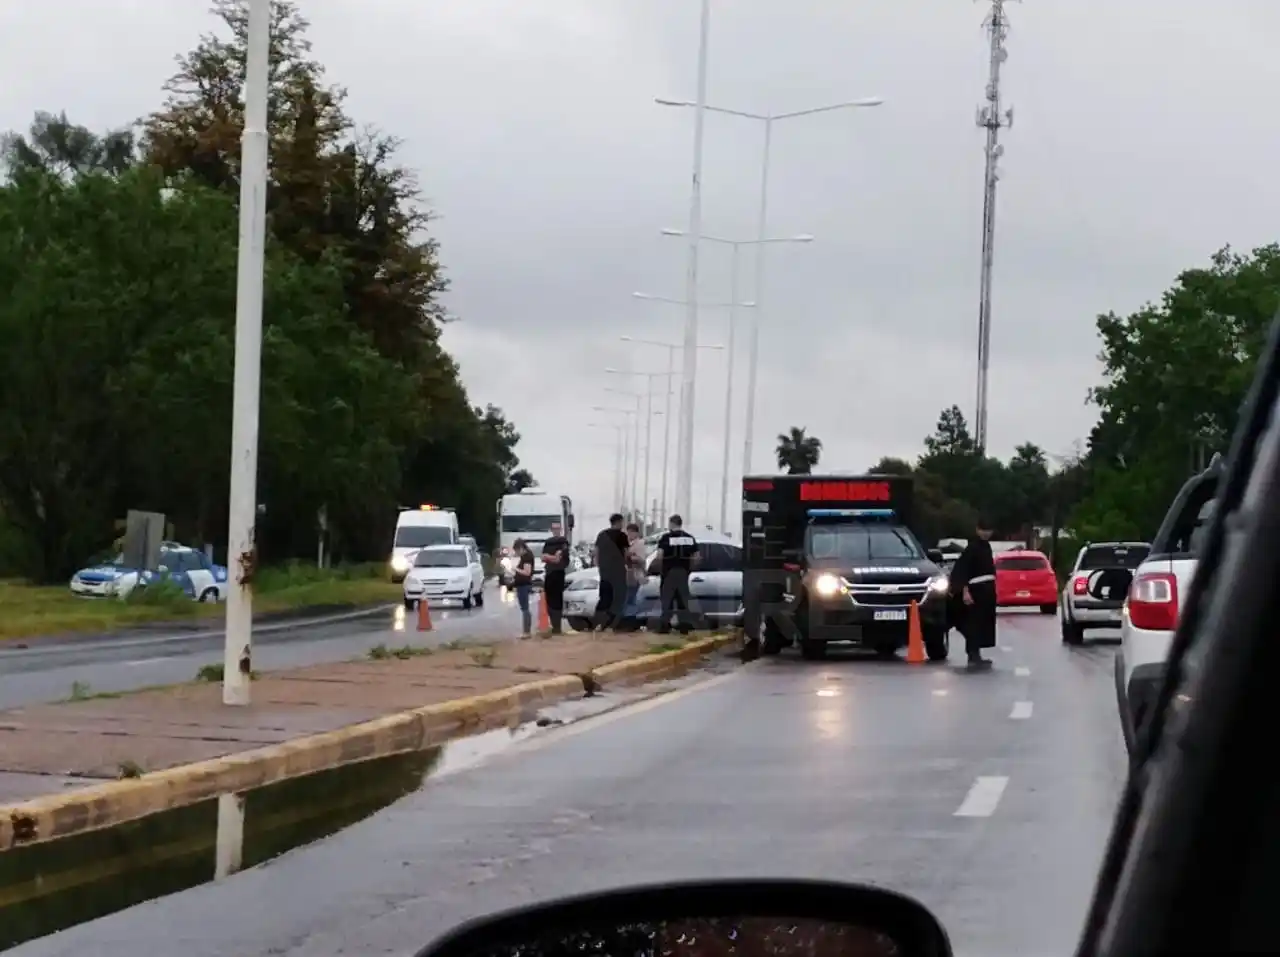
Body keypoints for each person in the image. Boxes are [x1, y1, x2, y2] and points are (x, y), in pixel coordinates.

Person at [948, 516, 997, 669]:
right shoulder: (972, 548)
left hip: (987, 590)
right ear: (977, 530)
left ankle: (977, 654)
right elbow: (962, 570)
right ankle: (972, 655)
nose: (986, 533)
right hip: (975, 591)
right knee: (973, 624)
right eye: (983, 530)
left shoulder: (987, 547)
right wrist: (964, 591)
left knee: (983, 623)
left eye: (988, 530)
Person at [654, 514, 699, 636]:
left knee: (667, 599)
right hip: (683, 572)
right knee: (683, 599)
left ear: (671, 524)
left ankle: (664, 626)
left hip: (669, 572)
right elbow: (696, 557)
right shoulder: (689, 538)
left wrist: (660, 570)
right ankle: (684, 626)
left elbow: (659, 556)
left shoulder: (666, 538)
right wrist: (689, 569)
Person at [593, 513, 629, 630]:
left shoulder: (602, 535)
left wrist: (599, 565)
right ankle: (610, 623)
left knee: (604, 597)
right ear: (619, 522)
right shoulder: (622, 536)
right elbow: (626, 553)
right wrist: (627, 563)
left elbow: (596, 552)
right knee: (619, 597)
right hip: (618, 571)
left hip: (605, 571)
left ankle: (597, 622)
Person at [540, 521, 571, 635]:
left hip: (558, 573)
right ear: (551, 530)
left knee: (557, 600)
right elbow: (543, 557)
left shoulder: (563, 542)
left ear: (560, 529)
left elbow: (560, 559)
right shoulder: (548, 542)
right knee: (549, 600)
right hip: (549, 573)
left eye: (558, 528)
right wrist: (553, 557)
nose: (556, 530)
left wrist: (550, 557)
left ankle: (557, 627)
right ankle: (553, 625)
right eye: (554, 528)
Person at [623, 522, 648, 624]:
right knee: (628, 598)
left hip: (636, 575)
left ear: (636, 533)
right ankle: (627, 619)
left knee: (632, 598)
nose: (628, 535)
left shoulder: (639, 544)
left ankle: (632, 620)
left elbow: (641, 560)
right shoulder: (629, 544)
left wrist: (629, 556)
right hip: (629, 574)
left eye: (630, 533)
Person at [510, 538, 535, 638]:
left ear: (520, 548)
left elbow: (527, 572)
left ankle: (526, 632)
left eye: (517, 551)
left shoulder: (527, 557)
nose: (516, 553)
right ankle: (526, 631)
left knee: (525, 608)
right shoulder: (525, 556)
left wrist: (515, 569)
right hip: (521, 584)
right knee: (524, 608)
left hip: (524, 585)